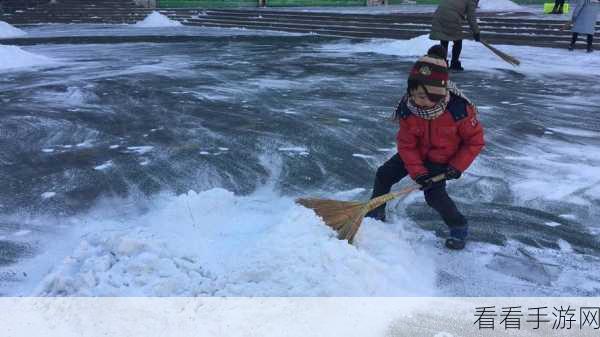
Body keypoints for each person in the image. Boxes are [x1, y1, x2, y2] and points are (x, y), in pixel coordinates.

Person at [365, 45, 485, 250]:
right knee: (384, 174)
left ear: (438, 94)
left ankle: (459, 226)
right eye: (414, 94)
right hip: (413, 155)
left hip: (442, 160)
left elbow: (474, 141)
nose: (417, 100)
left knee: (434, 196)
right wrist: (418, 172)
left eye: (423, 96)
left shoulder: (458, 111)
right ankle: (376, 211)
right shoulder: (408, 109)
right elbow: (406, 144)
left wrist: (456, 166)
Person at [430, 0, 481, 71]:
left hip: (439, 16)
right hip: (451, 17)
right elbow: (471, 18)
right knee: (458, 41)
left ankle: (442, 63)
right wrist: (476, 32)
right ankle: (454, 63)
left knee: (444, 39)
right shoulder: (471, 1)